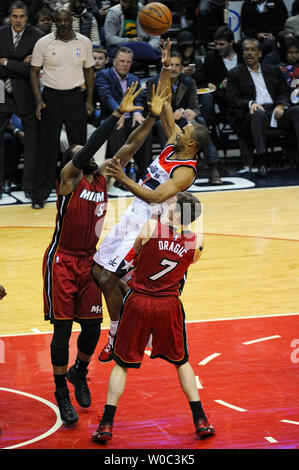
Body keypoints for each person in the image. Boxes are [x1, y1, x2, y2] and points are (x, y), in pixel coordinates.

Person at [43, 81, 168, 425]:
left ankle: (79, 372)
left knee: (92, 330)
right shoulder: (69, 178)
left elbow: (130, 145)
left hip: (89, 260)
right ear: (73, 161)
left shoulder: (101, 178)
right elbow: (92, 147)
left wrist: (151, 120)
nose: (91, 157)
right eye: (83, 153)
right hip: (63, 260)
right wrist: (114, 114)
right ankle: (60, 394)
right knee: (61, 332)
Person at [91, 39, 210, 363]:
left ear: (192, 145)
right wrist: (165, 65)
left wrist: (124, 178)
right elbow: (165, 102)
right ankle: (137, 308)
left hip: (148, 220)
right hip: (133, 211)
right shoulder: (175, 142)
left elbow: (157, 195)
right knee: (98, 271)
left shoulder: (186, 172)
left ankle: (117, 334)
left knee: (105, 277)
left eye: (186, 130)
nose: (180, 128)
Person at [92, 191, 215, 443]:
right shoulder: (197, 242)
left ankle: (106, 424)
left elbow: (132, 258)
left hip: (138, 302)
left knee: (122, 364)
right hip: (168, 305)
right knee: (181, 362)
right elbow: (183, 267)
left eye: (172, 204)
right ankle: (201, 419)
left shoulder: (150, 227)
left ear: (178, 212)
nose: (168, 204)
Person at [30, 6, 95, 209]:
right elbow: (33, 72)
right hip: (51, 97)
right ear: (54, 21)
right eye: (59, 20)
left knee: (79, 147)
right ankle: (40, 194)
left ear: (72, 20)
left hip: (76, 96)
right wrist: (39, 100)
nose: (63, 23)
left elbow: (90, 71)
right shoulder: (43, 43)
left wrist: (89, 100)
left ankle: (80, 192)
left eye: (66, 19)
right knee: (47, 148)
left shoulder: (84, 42)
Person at [226, 38, 299, 176]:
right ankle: (262, 161)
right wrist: (250, 103)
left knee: (297, 111)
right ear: (242, 53)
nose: (249, 53)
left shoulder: (272, 70)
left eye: (253, 50)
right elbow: (232, 98)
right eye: (246, 50)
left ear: (259, 53)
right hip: (252, 113)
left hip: (275, 110)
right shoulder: (235, 73)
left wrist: (281, 105)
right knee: (258, 114)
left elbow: (284, 91)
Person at [148, 50, 222, 185]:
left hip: (183, 121)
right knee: (160, 125)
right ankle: (169, 167)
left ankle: (213, 166)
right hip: (160, 121)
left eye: (177, 65)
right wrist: (169, 114)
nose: (174, 68)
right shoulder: (154, 82)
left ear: (182, 68)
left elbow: (196, 108)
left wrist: (191, 112)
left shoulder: (189, 82)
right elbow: (151, 110)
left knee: (200, 122)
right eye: (171, 65)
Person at [0, 1, 43, 200]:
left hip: (26, 93)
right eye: (15, 16)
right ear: (10, 17)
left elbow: (33, 69)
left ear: (27, 17)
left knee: (33, 141)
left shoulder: (37, 37)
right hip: (1, 90)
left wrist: (7, 61)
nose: (18, 20)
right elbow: (24, 68)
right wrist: (20, 64)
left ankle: (29, 186)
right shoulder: (0, 33)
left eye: (22, 17)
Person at [95, 46, 152, 180]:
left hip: (130, 118)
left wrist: (137, 112)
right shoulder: (104, 76)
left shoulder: (135, 79)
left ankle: (145, 175)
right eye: (122, 61)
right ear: (114, 61)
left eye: (128, 62)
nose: (125, 64)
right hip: (112, 118)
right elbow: (106, 97)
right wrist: (119, 112)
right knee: (116, 127)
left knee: (144, 128)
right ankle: (119, 175)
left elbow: (138, 100)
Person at [203, 26, 243, 119]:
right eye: (216, 44)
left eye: (221, 44)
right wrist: (221, 85)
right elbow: (207, 80)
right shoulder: (211, 58)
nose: (217, 47)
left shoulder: (243, 55)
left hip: (244, 94)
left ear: (231, 42)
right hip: (224, 98)